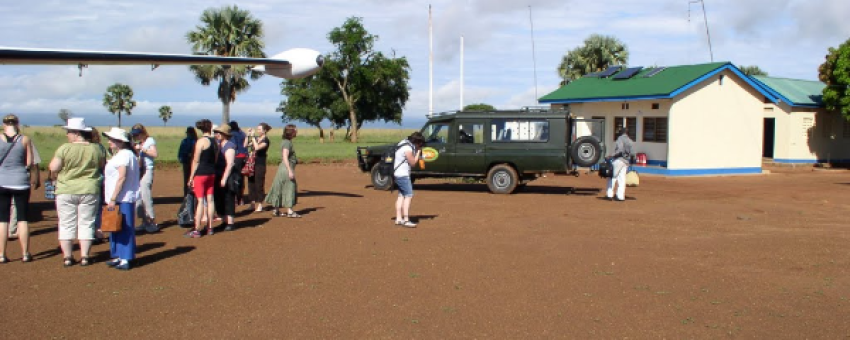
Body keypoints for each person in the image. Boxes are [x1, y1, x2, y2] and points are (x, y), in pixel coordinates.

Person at [49, 118, 106, 267]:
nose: (67, 134)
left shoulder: (64, 148)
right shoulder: (96, 148)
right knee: (87, 223)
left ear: (76, 133)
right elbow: (102, 165)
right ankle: (85, 256)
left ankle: (68, 257)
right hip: (89, 189)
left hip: (66, 189)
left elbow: (54, 167)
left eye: (68, 132)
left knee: (67, 223)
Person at [101, 127, 140, 270]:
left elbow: (122, 176)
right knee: (114, 226)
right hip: (119, 197)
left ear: (120, 141)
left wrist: (113, 198)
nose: (109, 141)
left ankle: (126, 257)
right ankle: (118, 255)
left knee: (124, 227)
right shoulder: (123, 154)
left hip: (122, 197)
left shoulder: (125, 155)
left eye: (112, 139)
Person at [0, 115, 34, 263]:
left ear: (3, 124)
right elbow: (29, 162)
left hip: (2, 181)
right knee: (22, 218)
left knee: (2, 219)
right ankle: (25, 253)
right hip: (21, 181)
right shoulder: (25, 139)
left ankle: (1, 254)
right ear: (17, 123)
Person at [186, 119, 217, 238]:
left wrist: (191, 177)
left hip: (201, 174)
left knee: (200, 201)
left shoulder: (201, 141)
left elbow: (196, 160)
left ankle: (197, 228)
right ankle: (210, 227)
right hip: (211, 173)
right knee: (210, 200)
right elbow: (215, 158)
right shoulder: (215, 142)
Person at [265, 124, 300, 218]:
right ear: (292, 132)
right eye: (295, 130)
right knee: (290, 187)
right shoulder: (287, 143)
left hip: (282, 168)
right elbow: (285, 156)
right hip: (286, 168)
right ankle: (290, 211)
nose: (297, 132)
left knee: (279, 187)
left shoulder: (286, 141)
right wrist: (289, 170)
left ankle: (276, 210)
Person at [392, 132, 425, 228]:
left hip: (397, 174)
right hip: (403, 175)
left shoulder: (403, 142)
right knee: (409, 195)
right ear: (417, 142)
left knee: (401, 196)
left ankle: (398, 218)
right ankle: (406, 220)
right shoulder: (408, 148)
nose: (420, 145)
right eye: (420, 144)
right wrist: (418, 152)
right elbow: (413, 163)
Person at [130, 124, 158, 233]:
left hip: (147, 170)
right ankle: (144, 221)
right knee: (139, 198)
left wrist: (142, 148)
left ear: (142, 133)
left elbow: (155, 154)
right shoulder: (138, 142)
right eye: (134, 135)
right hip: (139, 170)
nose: (136, 136)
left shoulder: (149, 141)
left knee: (146, 196)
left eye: (137, 134)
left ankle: (152, 222)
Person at [213, 124, 237, 232]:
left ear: (225, 134)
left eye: (219, 133)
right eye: (216, 133)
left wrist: (224, 178)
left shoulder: (230, 146)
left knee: (228, 198)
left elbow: (230, 163)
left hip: (227, 176)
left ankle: (230, 222)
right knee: (219, 198)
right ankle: (224, 221)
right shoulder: (218, 144)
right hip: (217, 174)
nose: (216, 134)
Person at [245, 123, 270, 213]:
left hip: (260, 164)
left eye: (259, 129)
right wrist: (248, 135)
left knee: (259, 184)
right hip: (252, 164)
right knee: (251, 183)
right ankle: (252, 203)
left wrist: (253, 138)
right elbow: (245, 145)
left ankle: (259, 204)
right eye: (257, 129)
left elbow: (257, 148)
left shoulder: (266, 140)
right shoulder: (256, 138)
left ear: (264, 130)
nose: (258, 131)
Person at [606, 127, 634, 202]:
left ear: (622, 132)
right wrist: (630, 162)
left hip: (618, 160)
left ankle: (609, 195)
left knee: (612, 177)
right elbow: (632, 154)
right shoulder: (630, 141)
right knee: (622, 179)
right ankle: (620, 196)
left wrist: (611, 156)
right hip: (625, 162)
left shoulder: (620, 138)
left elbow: (619, 150)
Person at [229, 121, 248, 205]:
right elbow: (245, 140)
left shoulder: (232, 134)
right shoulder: (241, 133)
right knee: (241, 177)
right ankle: (241, 198)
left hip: (237, 157)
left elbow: (234, 145)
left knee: (234, 177)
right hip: (243, 156)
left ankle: (236, 198)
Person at [177, 126, 198, 196]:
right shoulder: (196, 140)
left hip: (187, 162)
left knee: (187, 179)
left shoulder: (185, 141)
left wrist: (181, 159)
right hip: (192, 162)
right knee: (194, 179)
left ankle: (186, 195)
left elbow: (180, 153)